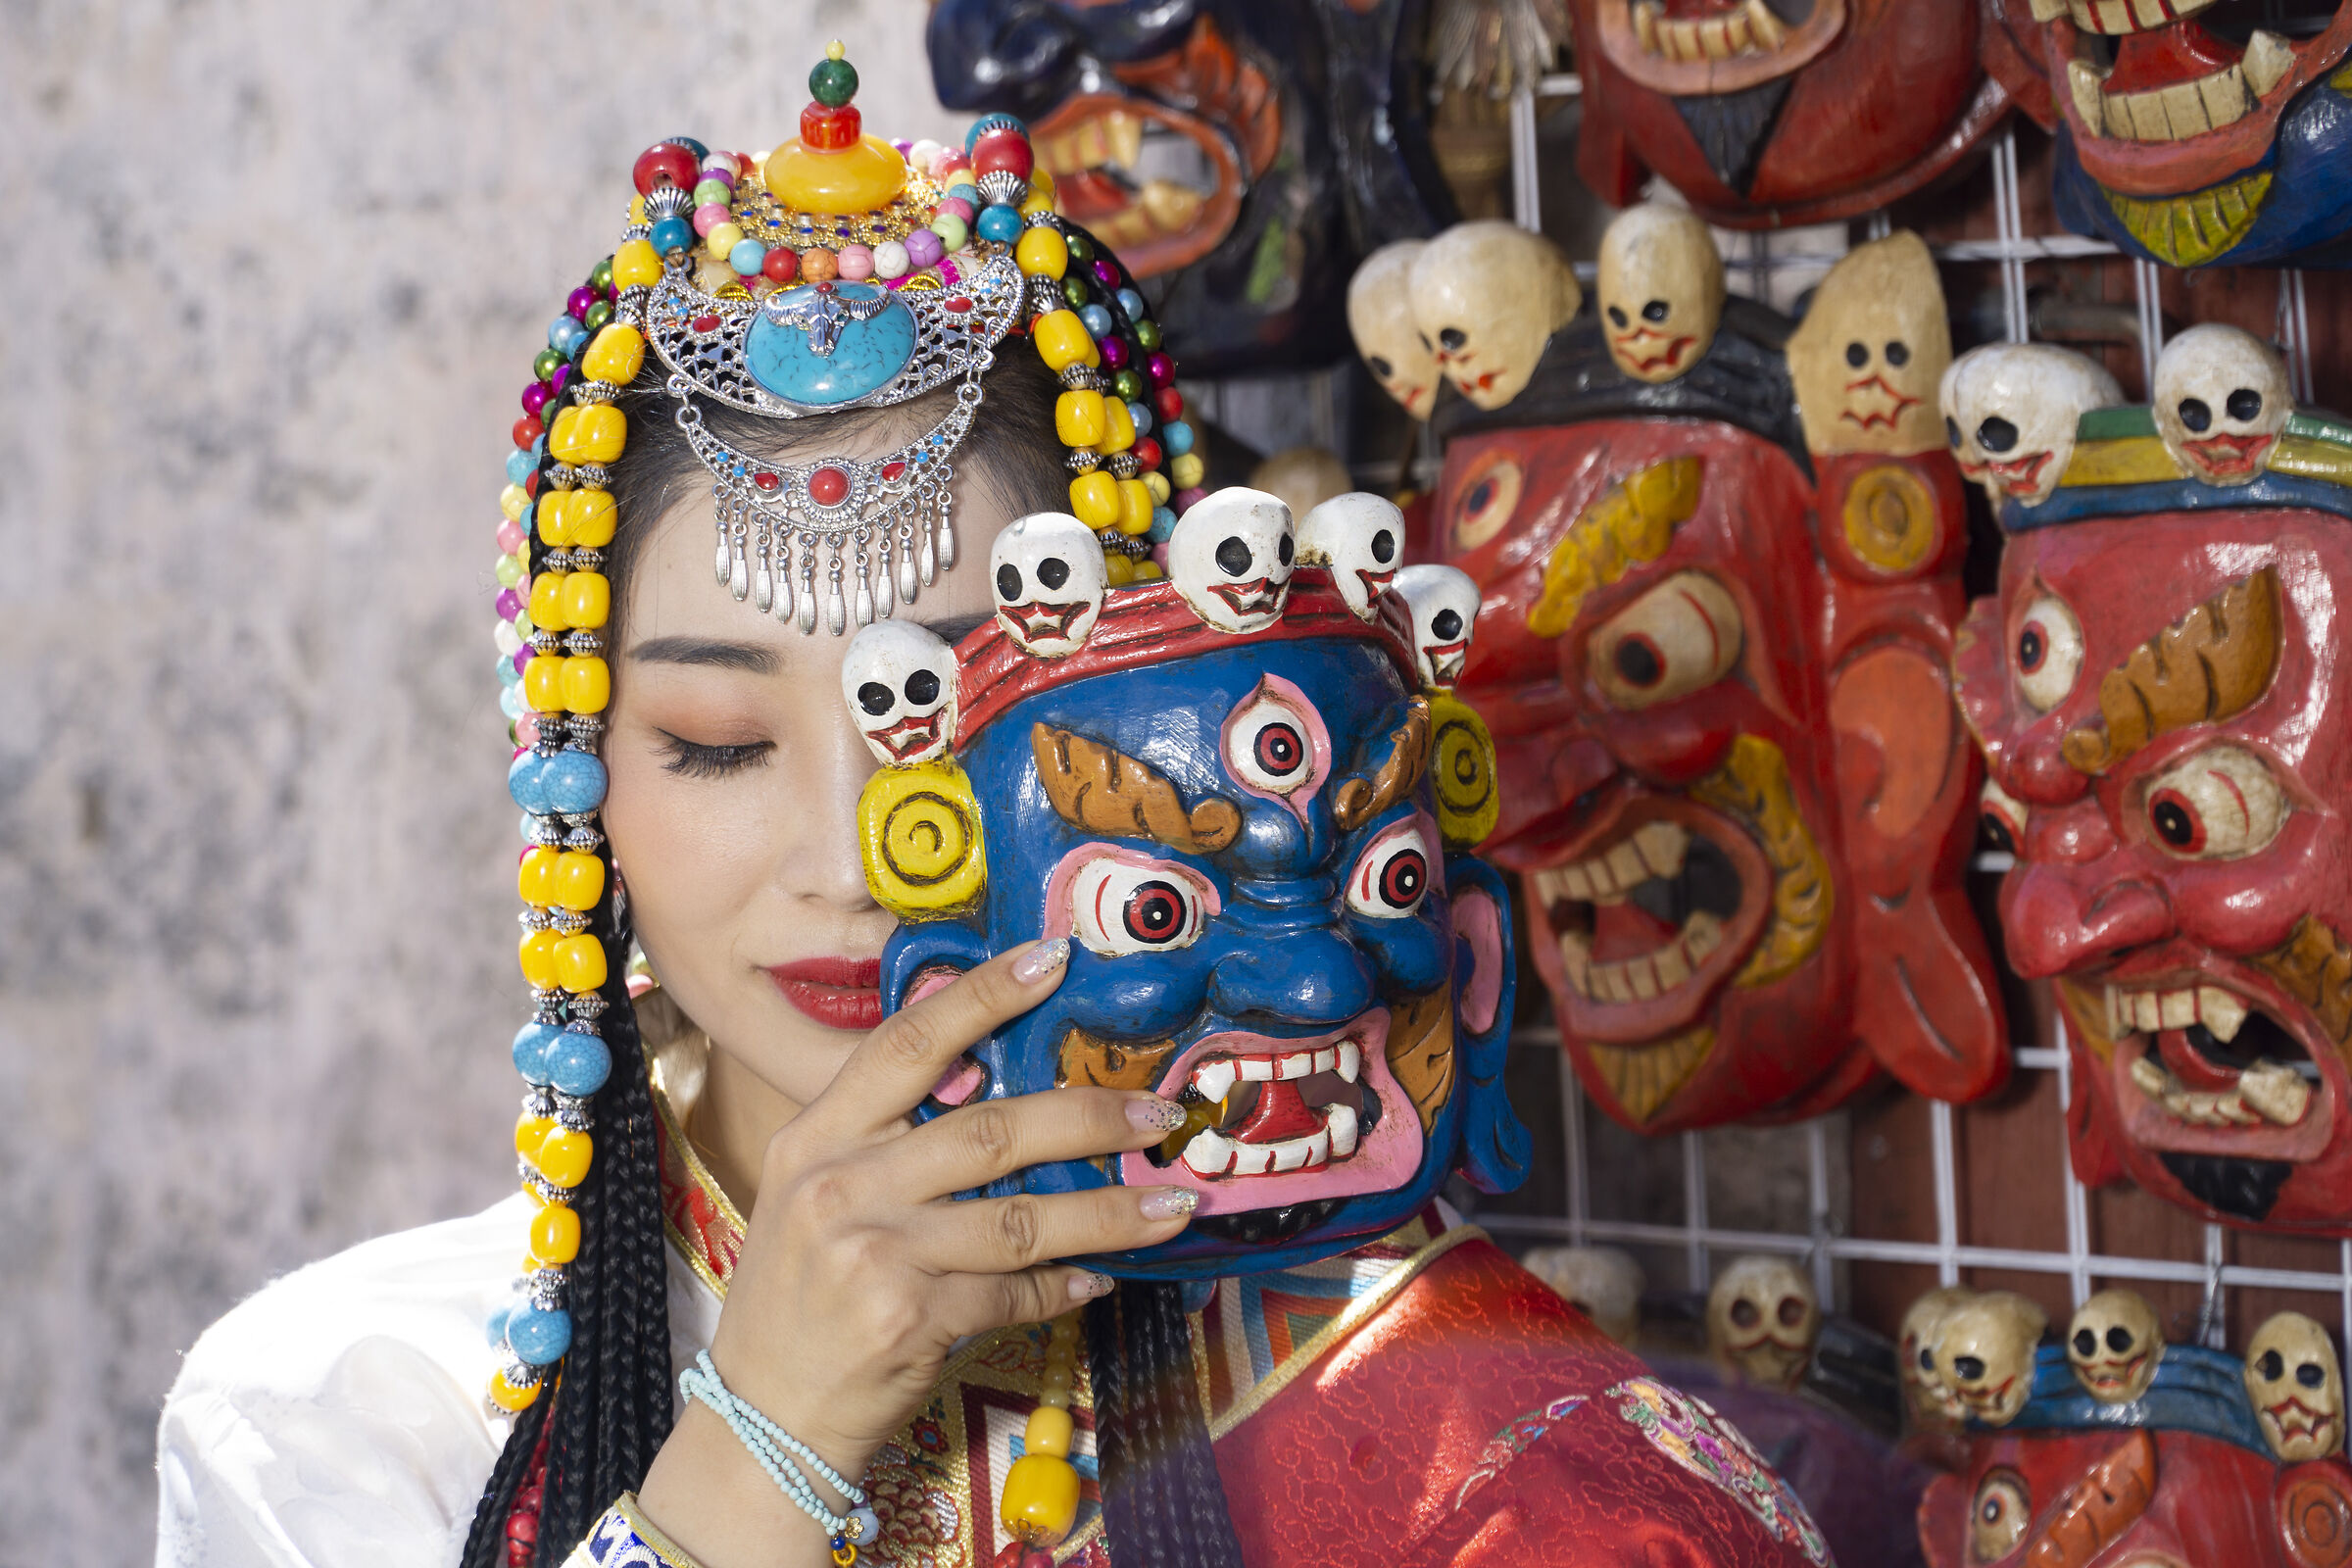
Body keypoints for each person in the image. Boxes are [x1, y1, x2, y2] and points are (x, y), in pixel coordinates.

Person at [158, 47, 1831, 1568]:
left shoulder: (1477, 1458)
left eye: (947, 720)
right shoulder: (347, 1418)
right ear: (571, 774)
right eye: (720, 744)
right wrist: (759, 1451)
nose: (849, 865)